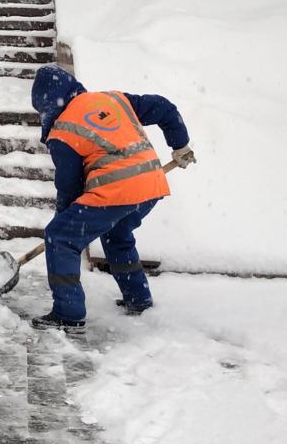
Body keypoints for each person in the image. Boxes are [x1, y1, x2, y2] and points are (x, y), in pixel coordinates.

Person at [29, 64, 195, 332]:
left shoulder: (63, 131)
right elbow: (164, 107)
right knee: (117, 235)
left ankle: (68, 314)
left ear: (46, 106)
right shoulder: (113, 99)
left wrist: (64, 223)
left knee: (60, 237)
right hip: (151, 182)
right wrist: (180, 145)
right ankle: (137, 299)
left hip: (116, 189)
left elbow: (70, 190)